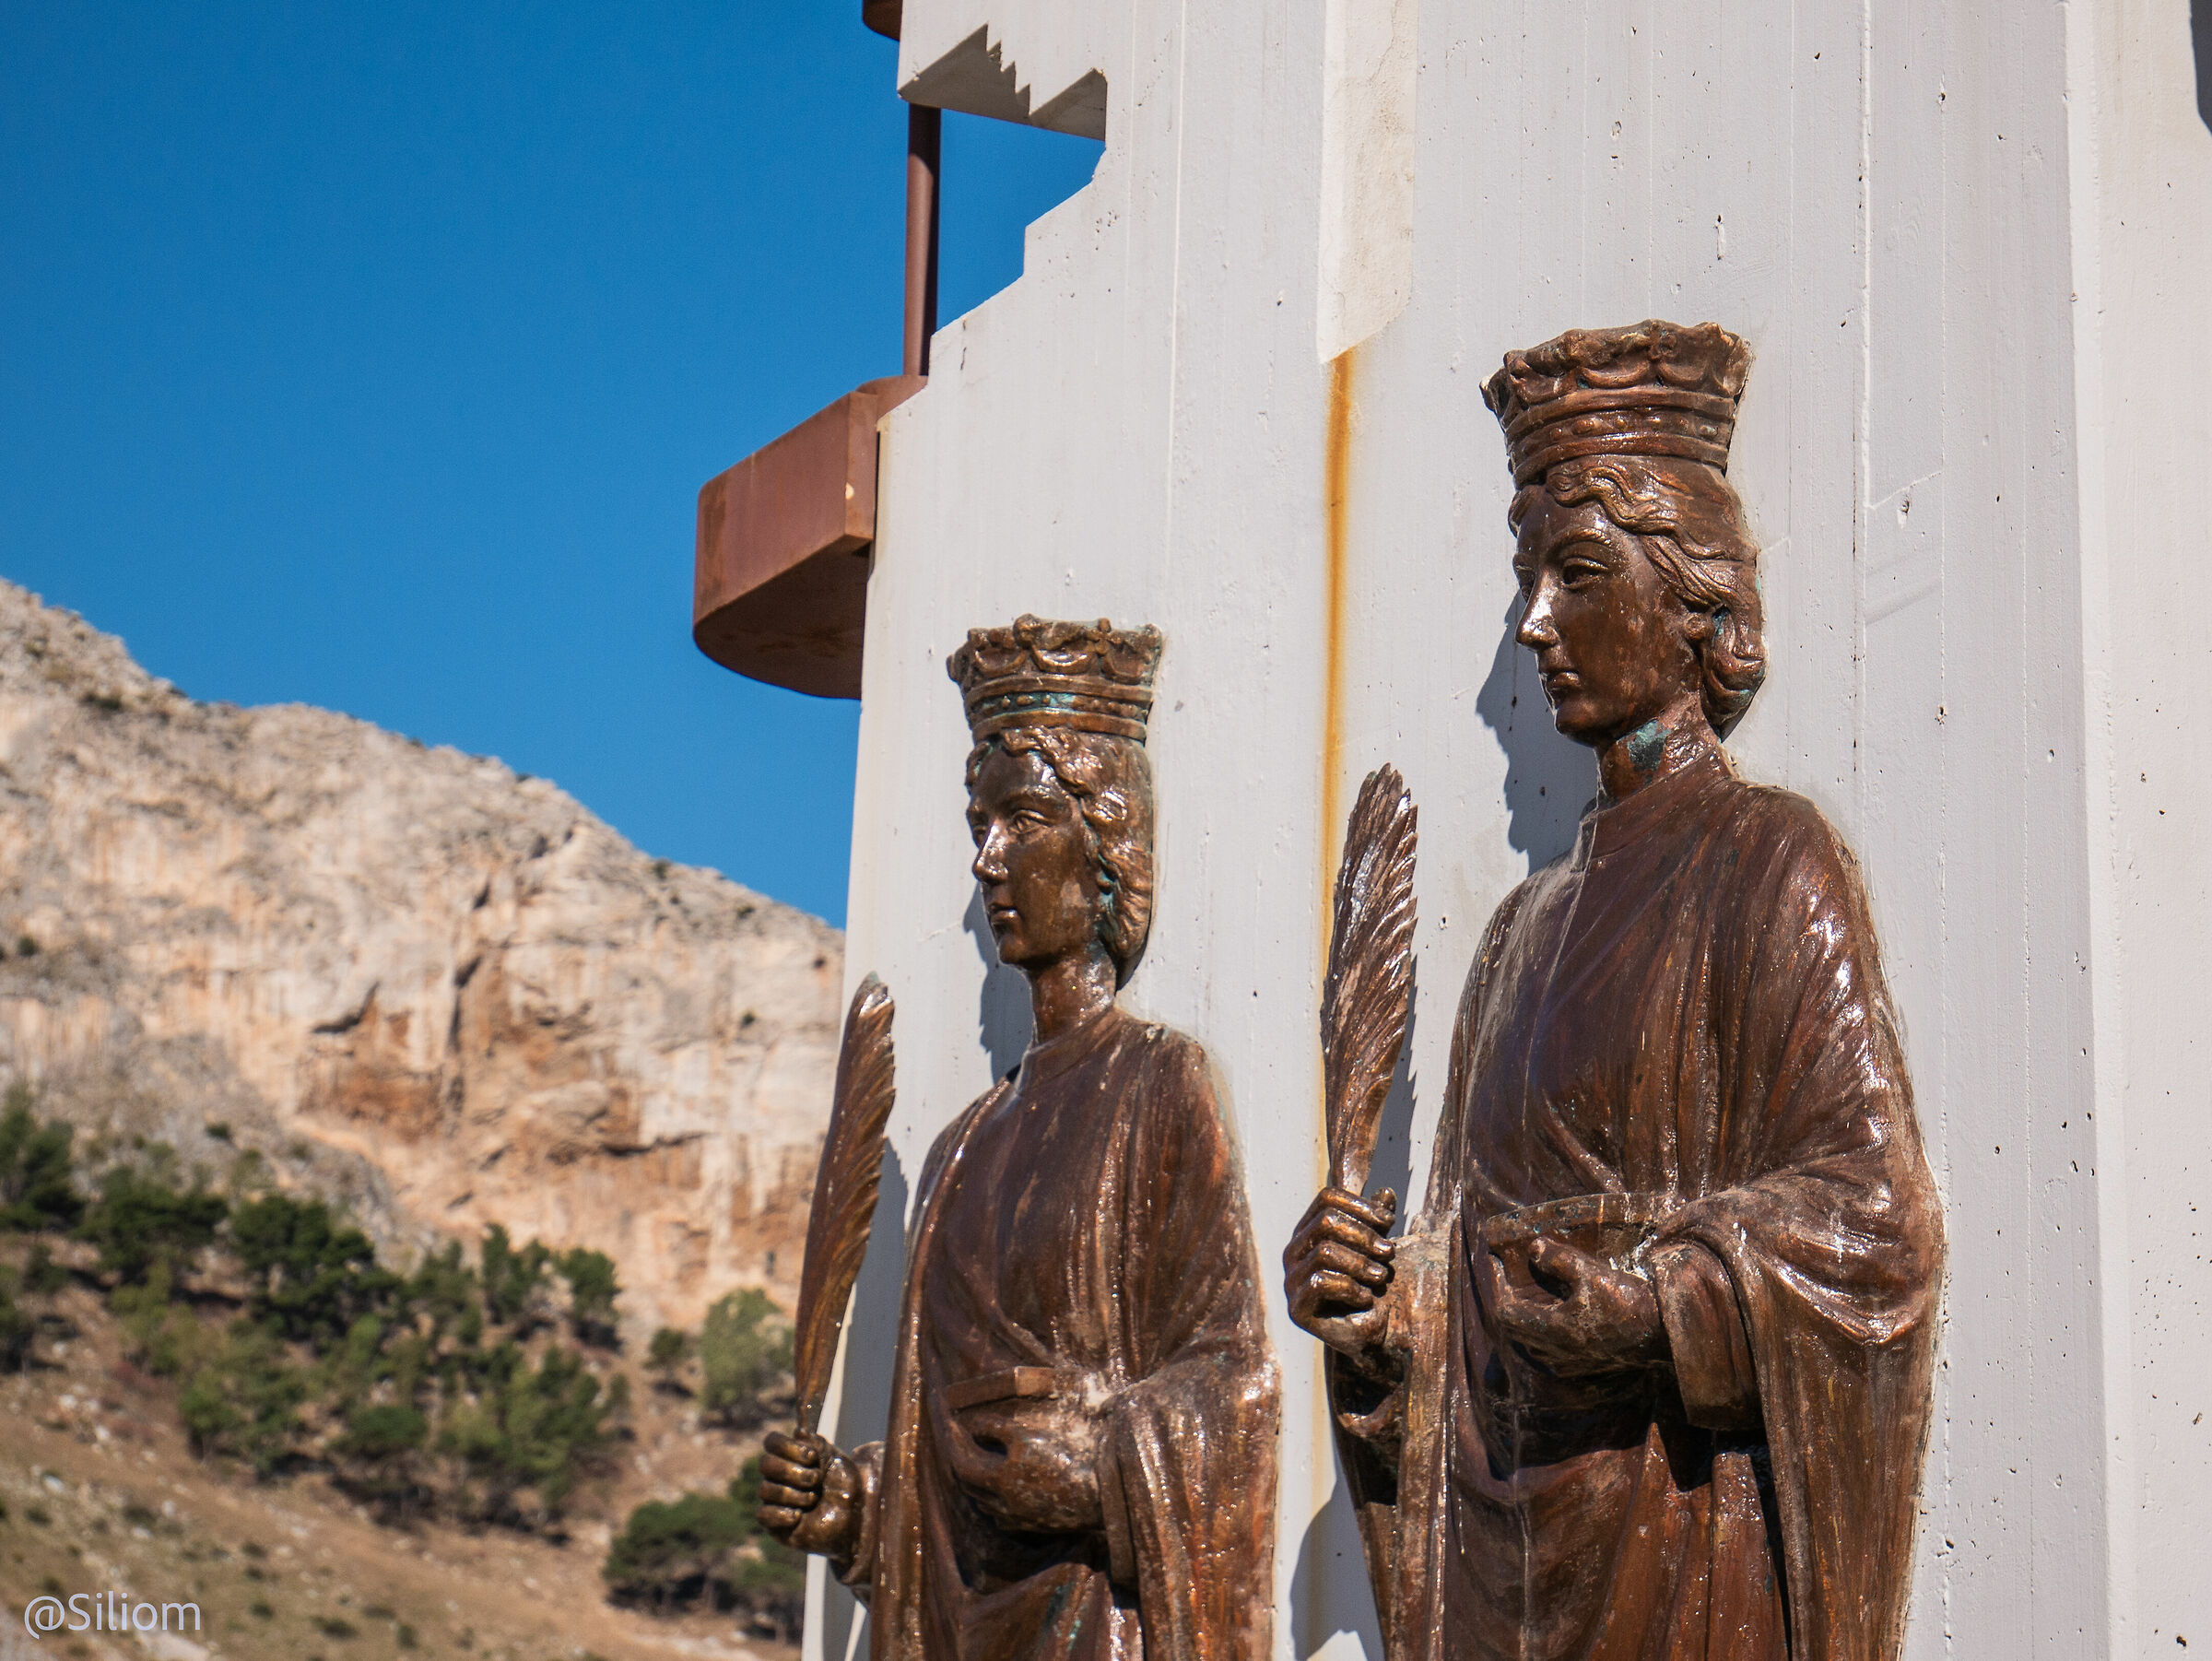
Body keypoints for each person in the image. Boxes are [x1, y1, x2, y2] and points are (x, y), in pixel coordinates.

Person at [1284, 321, 1944, 1661]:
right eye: (1529, 581)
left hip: (1679, 1529)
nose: (1533, 626)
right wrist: (1375, 1307)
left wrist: (1660, 1303)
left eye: (1575, 574)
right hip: (1503, 1549)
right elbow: (1463, 1266)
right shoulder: (1521, 932)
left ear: (1693, 599)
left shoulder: (1770, 860)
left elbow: (1874, 1216)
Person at [761, 616, 1279, 1661]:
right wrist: (856, 1507)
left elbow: (1234, 1380)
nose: (989, 860)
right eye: (979, 826)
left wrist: (1102, 1473)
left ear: (1106, 842)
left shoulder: (1158, 1086)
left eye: (1024, 820)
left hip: (1098, 1622)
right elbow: (934, 1463)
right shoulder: (959, 1149)